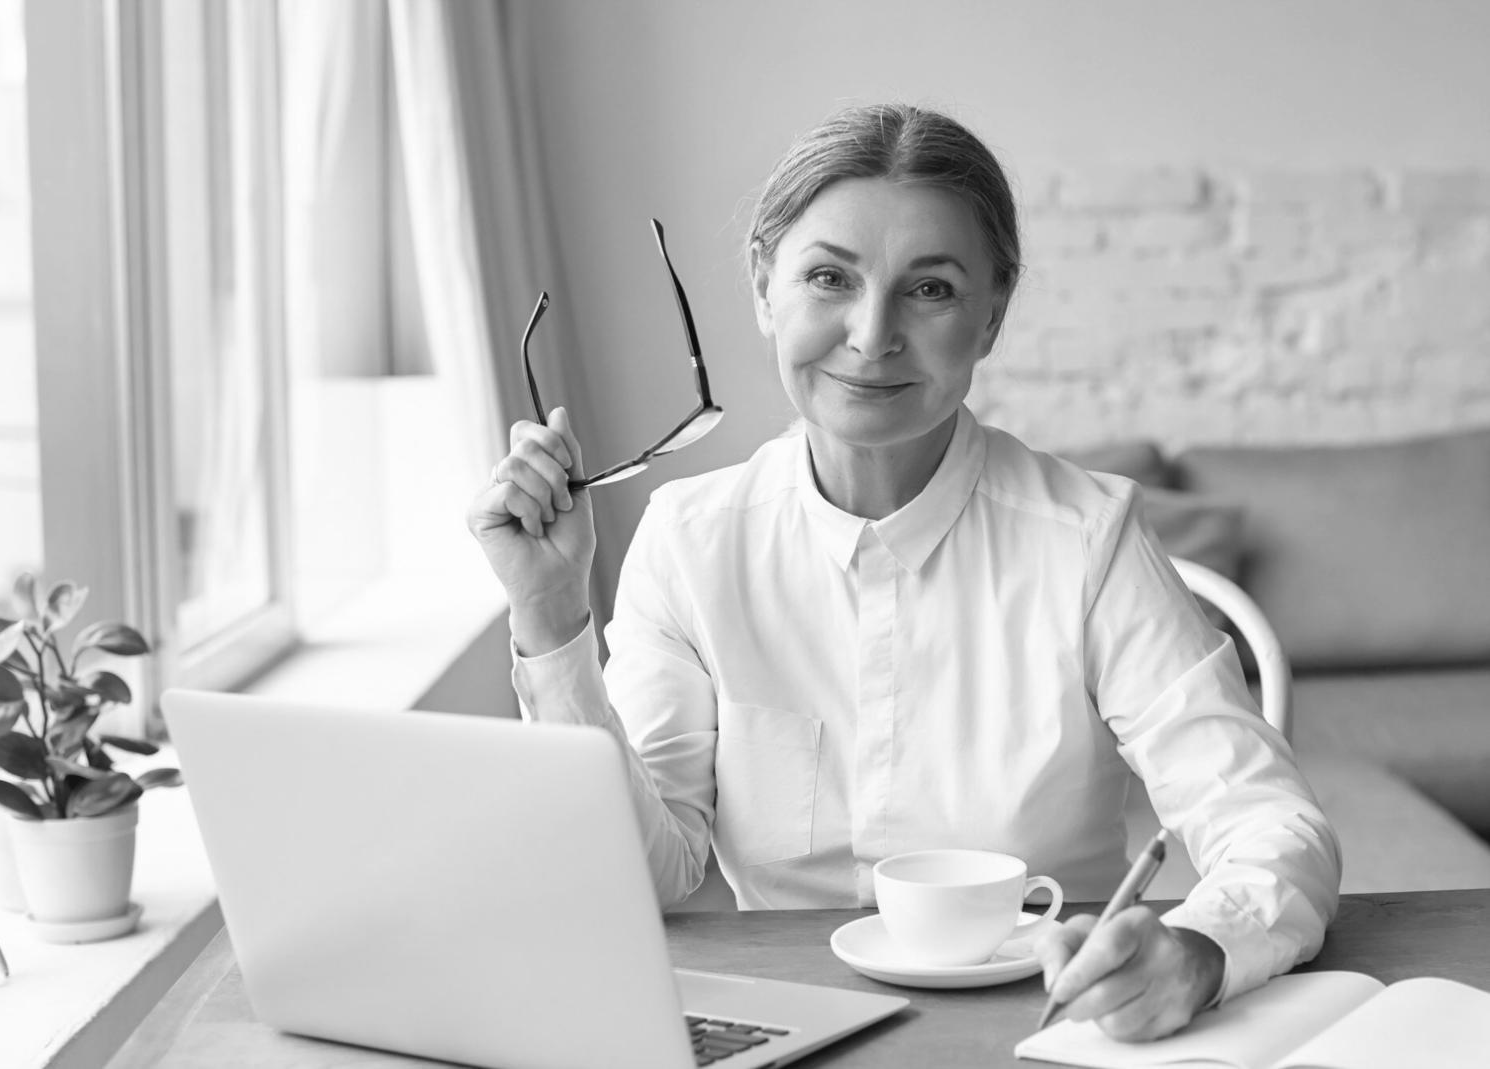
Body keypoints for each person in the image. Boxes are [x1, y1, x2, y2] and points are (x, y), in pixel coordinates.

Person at [466, 103, 1340, 1042]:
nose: (872, 334)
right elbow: (647, 874)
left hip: (1042, 1026)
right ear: (765, 287)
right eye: (828, 278)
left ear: (993, 317)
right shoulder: (690, 537)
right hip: (778, 1026)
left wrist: (1198, 955)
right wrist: (553, 613)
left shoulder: (1090, 539)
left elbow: (1270, 826)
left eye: (930, 291)